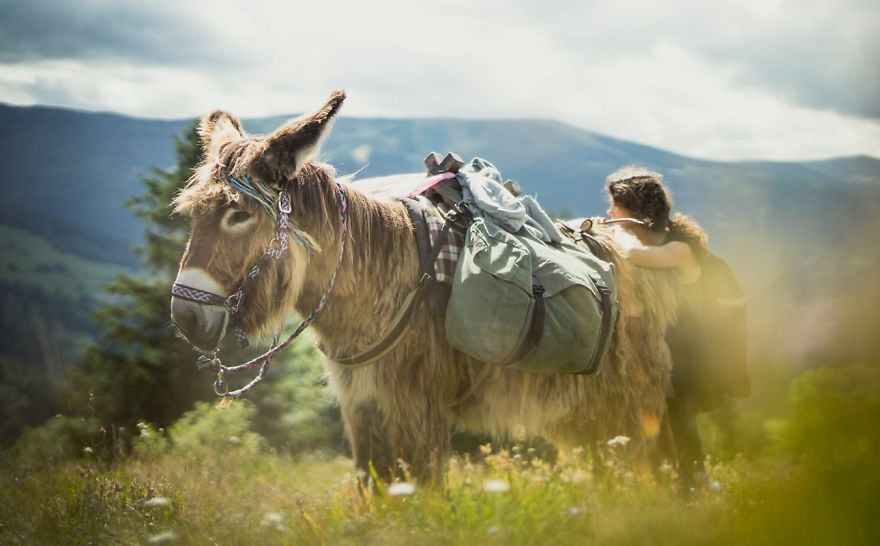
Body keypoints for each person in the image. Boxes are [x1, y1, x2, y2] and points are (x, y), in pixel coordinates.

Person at [604, 166, 713, 488]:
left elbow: (638, 255)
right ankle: (669, 485)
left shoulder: (681, 246)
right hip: (656, 345)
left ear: (637, 211)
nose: (609, 213)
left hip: (686, 350)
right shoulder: (655, 241)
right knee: (654, 419)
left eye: (616, 207)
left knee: (678, 416)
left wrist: (613, 234)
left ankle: (693, 485)